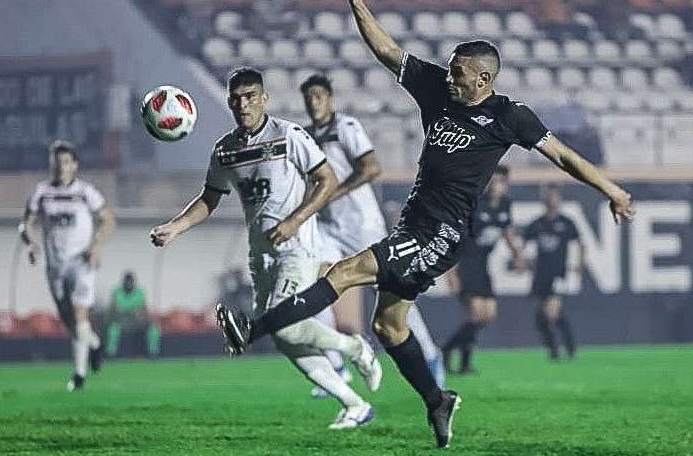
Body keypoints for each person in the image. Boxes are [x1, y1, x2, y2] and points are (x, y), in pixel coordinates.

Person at [215, 0, 634, 449]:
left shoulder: (508, 116)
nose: (448, 75)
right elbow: (390, 53)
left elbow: (561, 155)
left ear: (484, 78)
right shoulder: (438, 90)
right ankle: (438, 401)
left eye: (457, 71)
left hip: (444, 231)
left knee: (348, 270)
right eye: (449, 69)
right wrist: (358, 7)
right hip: (415, 221)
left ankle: (254, 330)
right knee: (388, 327)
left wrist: (612, 191)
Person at [149, 68, 381, 430]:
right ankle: (355, 405)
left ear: (264, 98)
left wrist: (295, 221)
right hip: (261, 255)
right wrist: (175, 227)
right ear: (229, 102)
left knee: (284, 325)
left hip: (298, 248)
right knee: (285, 339)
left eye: (251, 96)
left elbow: (327, 179)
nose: (244, 104)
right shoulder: (225, 149)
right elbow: (209, 199)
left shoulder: (288, 135)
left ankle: (356, 349)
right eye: (237, 98)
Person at [301, 74, 445, 399]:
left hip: (362, 225)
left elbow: (372, 168)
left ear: (330, 99)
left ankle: (430, 354)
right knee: (314, 286)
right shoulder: (307, 137)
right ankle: (335, 367)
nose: (314, 102)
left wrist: (332, 194)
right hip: (327, 228)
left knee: (394, 293)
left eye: (319, 96)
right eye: (308, 96)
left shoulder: (346, 127)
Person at [19, 140, 116, 391]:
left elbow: (108, 221)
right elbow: (26, 224)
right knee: (70, 323)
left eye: (65, 162)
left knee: (79, 314)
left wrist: (96, 246)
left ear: (74, 165)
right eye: (56, 163)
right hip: (55, 266)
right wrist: (30, 244)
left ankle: (79, 376)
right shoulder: (41, 192)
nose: (60, 167)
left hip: (82, 262)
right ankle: (94, 345)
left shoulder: (86, 192)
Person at [442, 165, 519, 374]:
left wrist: (517, 255)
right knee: (475, 314)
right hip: (466, 264)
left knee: (489, 314)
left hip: (483, 266)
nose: (495, 186)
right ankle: (459, 360)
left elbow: (507, 232)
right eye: (492, 181)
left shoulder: (505, 205)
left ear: (506, 184)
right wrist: (452, 273)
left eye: (500, 182)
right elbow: (459, 239)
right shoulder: (477, 205)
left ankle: (449, 349)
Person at [519, 185, 584, 361]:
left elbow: (580, 243)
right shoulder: (538, 224)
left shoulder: (566, 223)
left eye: (554, 197)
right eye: (549, 197)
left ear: (559, 199)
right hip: (540, 274)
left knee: (551, 313)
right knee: (541, 317)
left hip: (558, 274)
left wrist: (579, 264)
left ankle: (566, 347)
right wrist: (522, 261)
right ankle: (555, 348)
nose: (552, 201)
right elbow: (523, 244)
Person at [105, 271, 161, 359]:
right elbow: (113, 311)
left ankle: (153, 353)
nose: (128, 284)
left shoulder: (140, 292)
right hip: (122, 322)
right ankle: (111, 354)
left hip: (137, 321)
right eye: (126, 282)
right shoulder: (117, 292)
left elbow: (144, 310)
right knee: (113, 329)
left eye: (130, 282)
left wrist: (142, 316)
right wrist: (124, 312)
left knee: (154, 329)